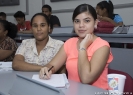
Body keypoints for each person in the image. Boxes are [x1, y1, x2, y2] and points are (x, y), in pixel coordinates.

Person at [39, 4, 113, 90]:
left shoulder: (102, 46)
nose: (81, 25)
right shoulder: (70, 42)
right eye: (77, 21)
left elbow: (86, 78)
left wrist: (83, 48)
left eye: (87, 21)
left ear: (95, 23)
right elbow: (52, 65)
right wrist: (46, 69)